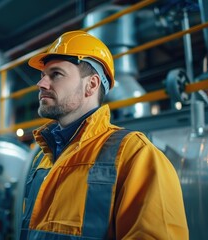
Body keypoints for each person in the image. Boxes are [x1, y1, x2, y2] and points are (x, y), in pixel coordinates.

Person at [20, 30, 188, 239]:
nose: (41, 84)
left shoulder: (135, 154)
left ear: (91, 85)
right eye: (43, 76)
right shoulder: (42, 158)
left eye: (56, 74)